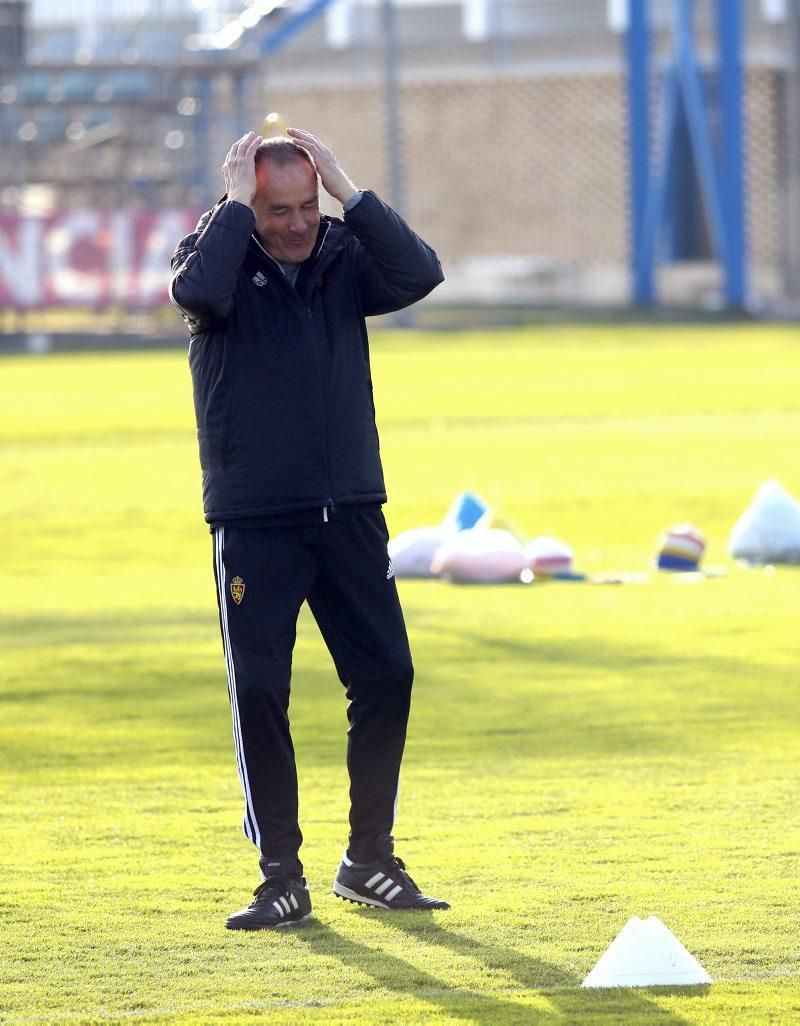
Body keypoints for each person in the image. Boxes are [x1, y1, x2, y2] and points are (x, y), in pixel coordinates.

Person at [169, 128, 449, 929]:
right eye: (276, 210)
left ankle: (369, 859)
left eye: (306, 206)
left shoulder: (340, 254)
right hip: (257, 520)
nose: (296, 225)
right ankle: (279, 877)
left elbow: (419, 273)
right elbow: (199, 298)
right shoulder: (213, 256)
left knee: (388, 676)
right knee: (260, 690)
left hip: (352, 510)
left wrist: (350, 192)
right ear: (242, 207)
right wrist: (230, 207)